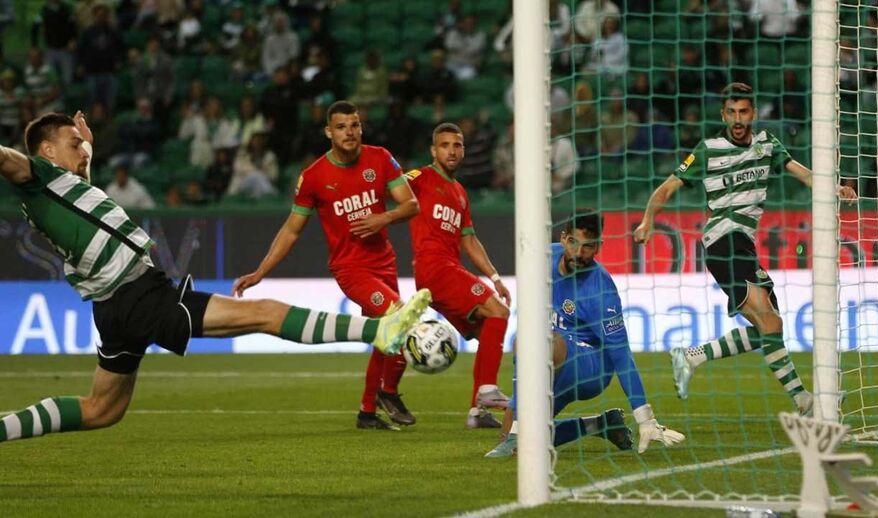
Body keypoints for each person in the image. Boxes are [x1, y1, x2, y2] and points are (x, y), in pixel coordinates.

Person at [0, 111, 431, 444]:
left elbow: (79, 179)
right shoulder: (36, 177)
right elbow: (11, 161)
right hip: (139, 296)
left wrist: (86, 146)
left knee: (101, 411)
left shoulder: (63, 185)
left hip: (117, 305)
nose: (82, 150)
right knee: (263, 314)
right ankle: (378, 329)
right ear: (46, 153)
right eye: (72, 144)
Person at [633, 82, 858, 415]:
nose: (738, 118)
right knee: (770, 323)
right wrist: (648, 221)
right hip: (724, 240)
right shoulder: (707, 149)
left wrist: (834, 187)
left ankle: (695, 357)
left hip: (744, 243)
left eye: (744, 111)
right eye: (732, 112)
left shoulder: (768, 144)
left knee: (771, 326)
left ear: (753, 113)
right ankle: (805, 403)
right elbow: (668, 187)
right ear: (723, 114)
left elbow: (803, 173)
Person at [233, 101, 421, 431]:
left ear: (361, 128)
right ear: (328, 132)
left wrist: (384, 217)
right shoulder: (314, 177)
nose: (349, 132)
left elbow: (411, 204)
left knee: (388, 330)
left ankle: (373, 406)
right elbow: (291, 231)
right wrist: (260, 271)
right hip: (351, 269)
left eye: (354, 125)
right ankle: (381, 398)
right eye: (341, 127)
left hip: (384, 262)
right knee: (395, 316)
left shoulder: (380, 158)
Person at [486, 210, 684, 457]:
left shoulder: (601, 290)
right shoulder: (543, 259)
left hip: (592, 367)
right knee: (520, 445)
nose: (579, 253)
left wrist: (645, 417)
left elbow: (621, 355)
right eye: (574, 243)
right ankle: (600, 424)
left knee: (533, 340)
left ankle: (516, 431)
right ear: (564, 238)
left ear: (599, 246)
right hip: (555, 362)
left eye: (588, 246)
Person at [405, 123, 513, 429]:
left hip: (448, 269)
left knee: (488, 331)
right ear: (433, 150)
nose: (452, 151)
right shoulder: (421, 178)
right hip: (434, 267)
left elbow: (469, 239)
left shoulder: (460, 192)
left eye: (457, 145)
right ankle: (487, 390)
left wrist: (494, 277)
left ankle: (477, 413)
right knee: (499, 312)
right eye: (445, 145)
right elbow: (389, 185)